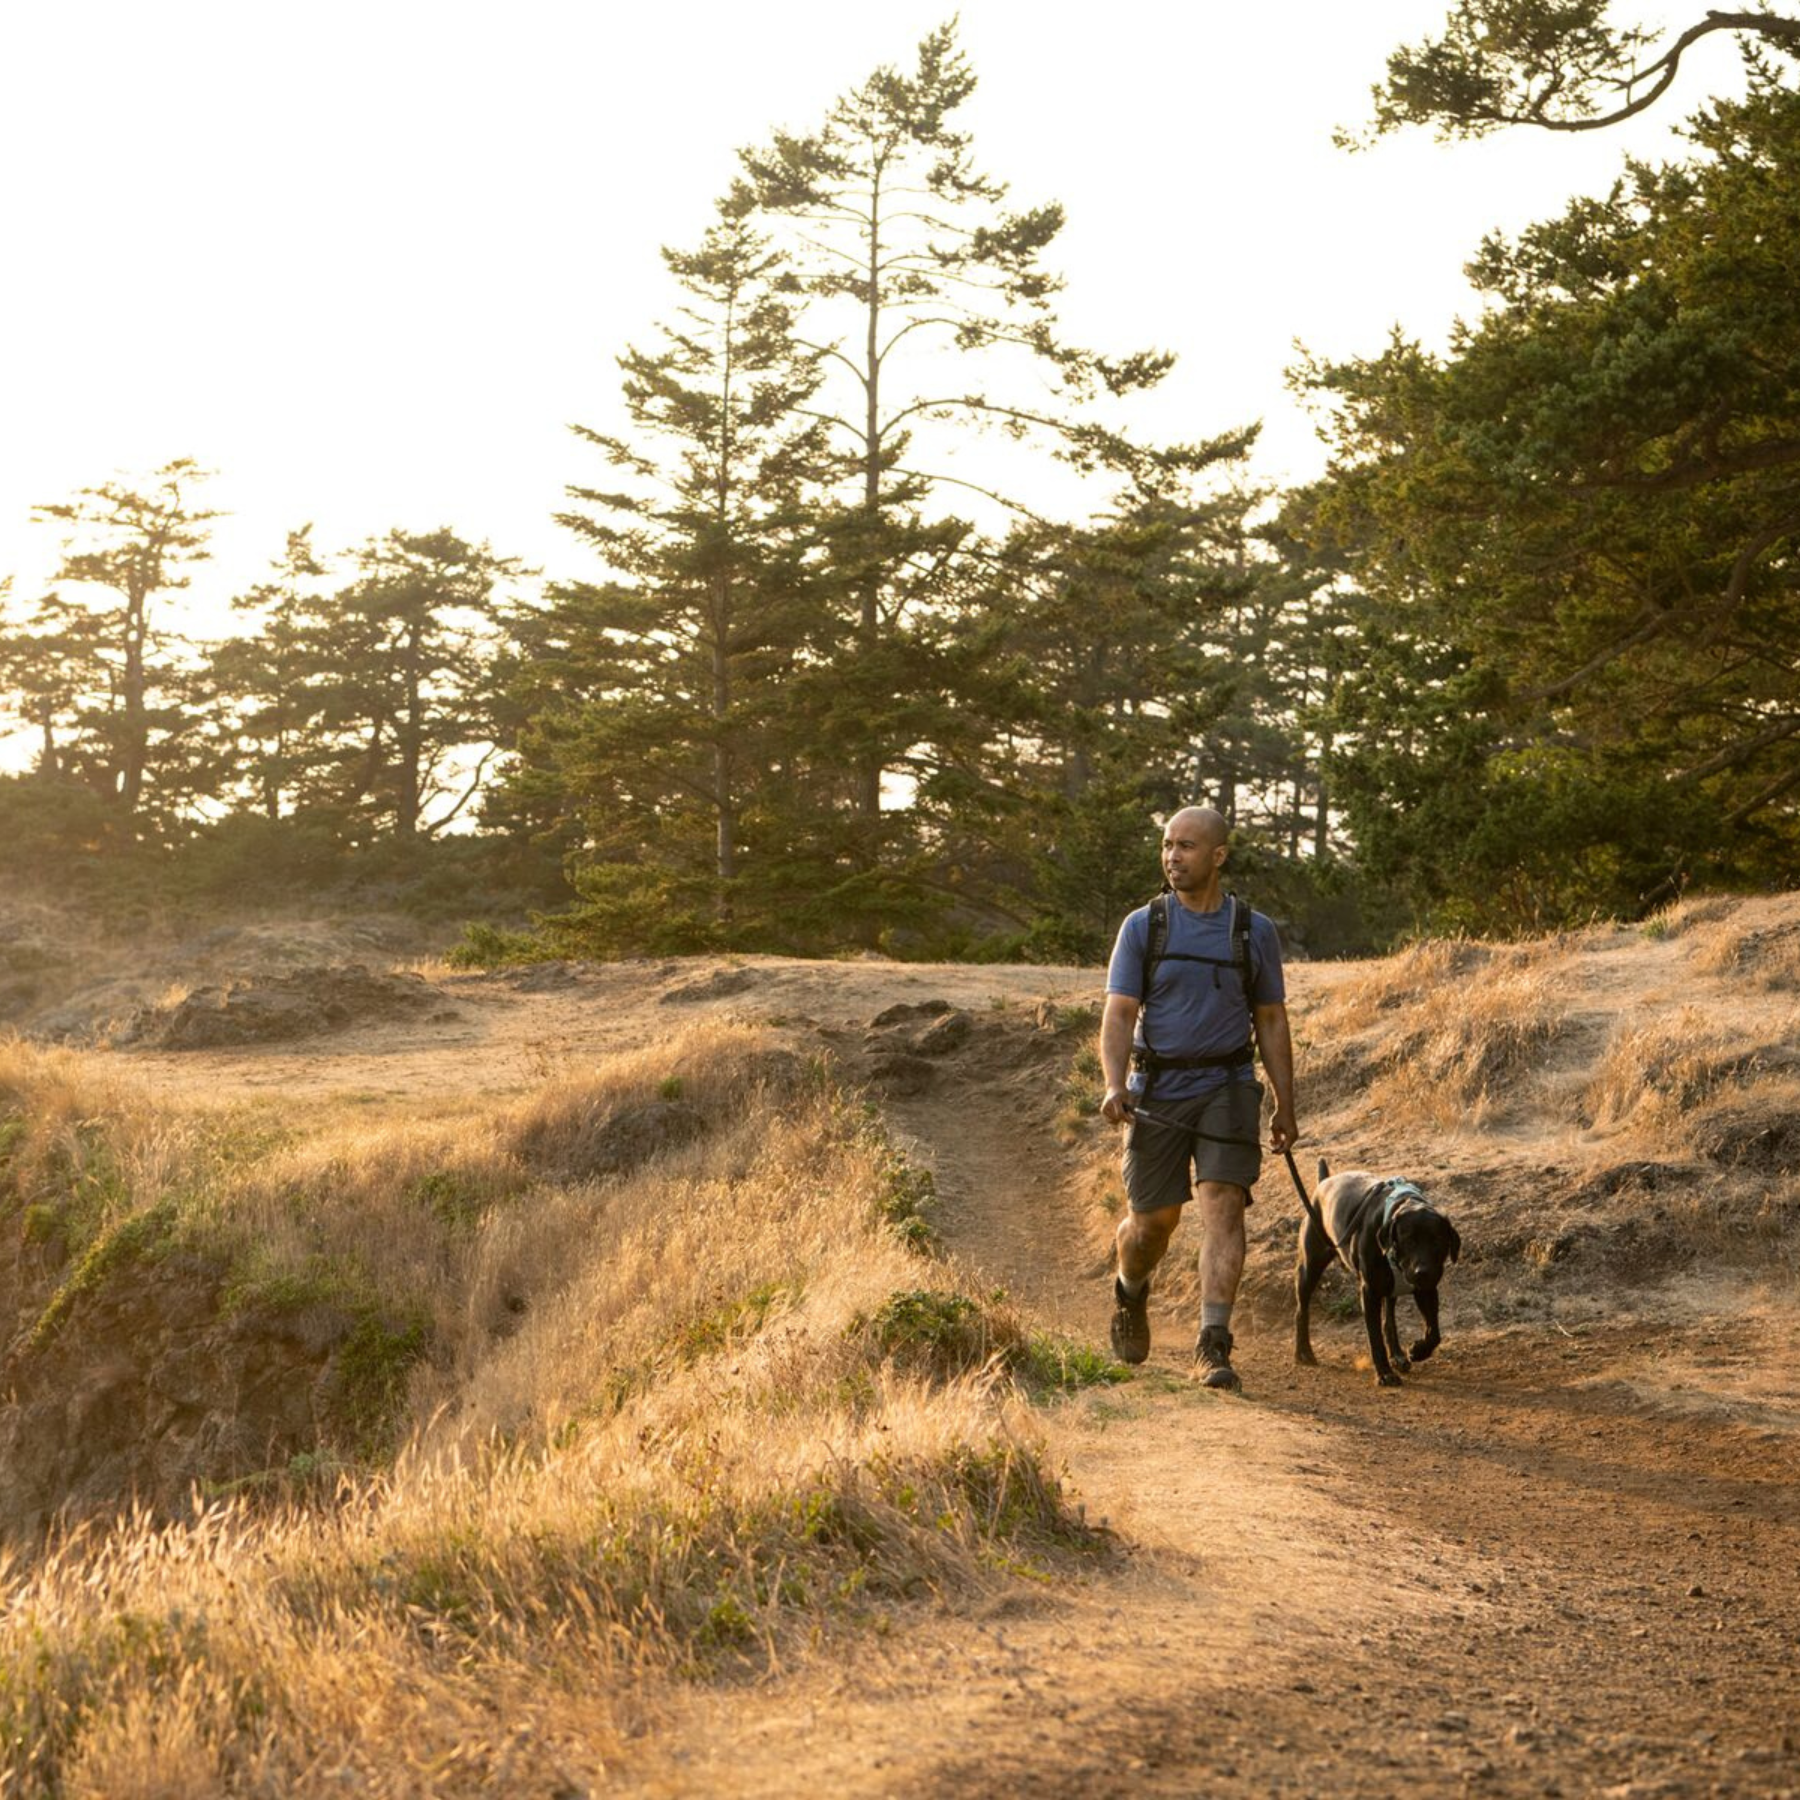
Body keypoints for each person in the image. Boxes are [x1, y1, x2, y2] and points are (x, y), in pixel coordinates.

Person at [1099, 806, 1298, 1390]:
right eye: (1166, 845)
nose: (1172, 857)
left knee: (1223, 1205)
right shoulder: (1145, 926)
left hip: (1228, 1086)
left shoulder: (1252, 931)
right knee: (1151, 1225)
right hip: (1156, 1089)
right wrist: (1114, 1084)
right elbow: (1119, 1013)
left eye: (1186, 846)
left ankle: (1213, 1343)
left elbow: (1270, 1019)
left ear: (1218, 856)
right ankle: (1130, 1291)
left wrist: (1286, 1104)